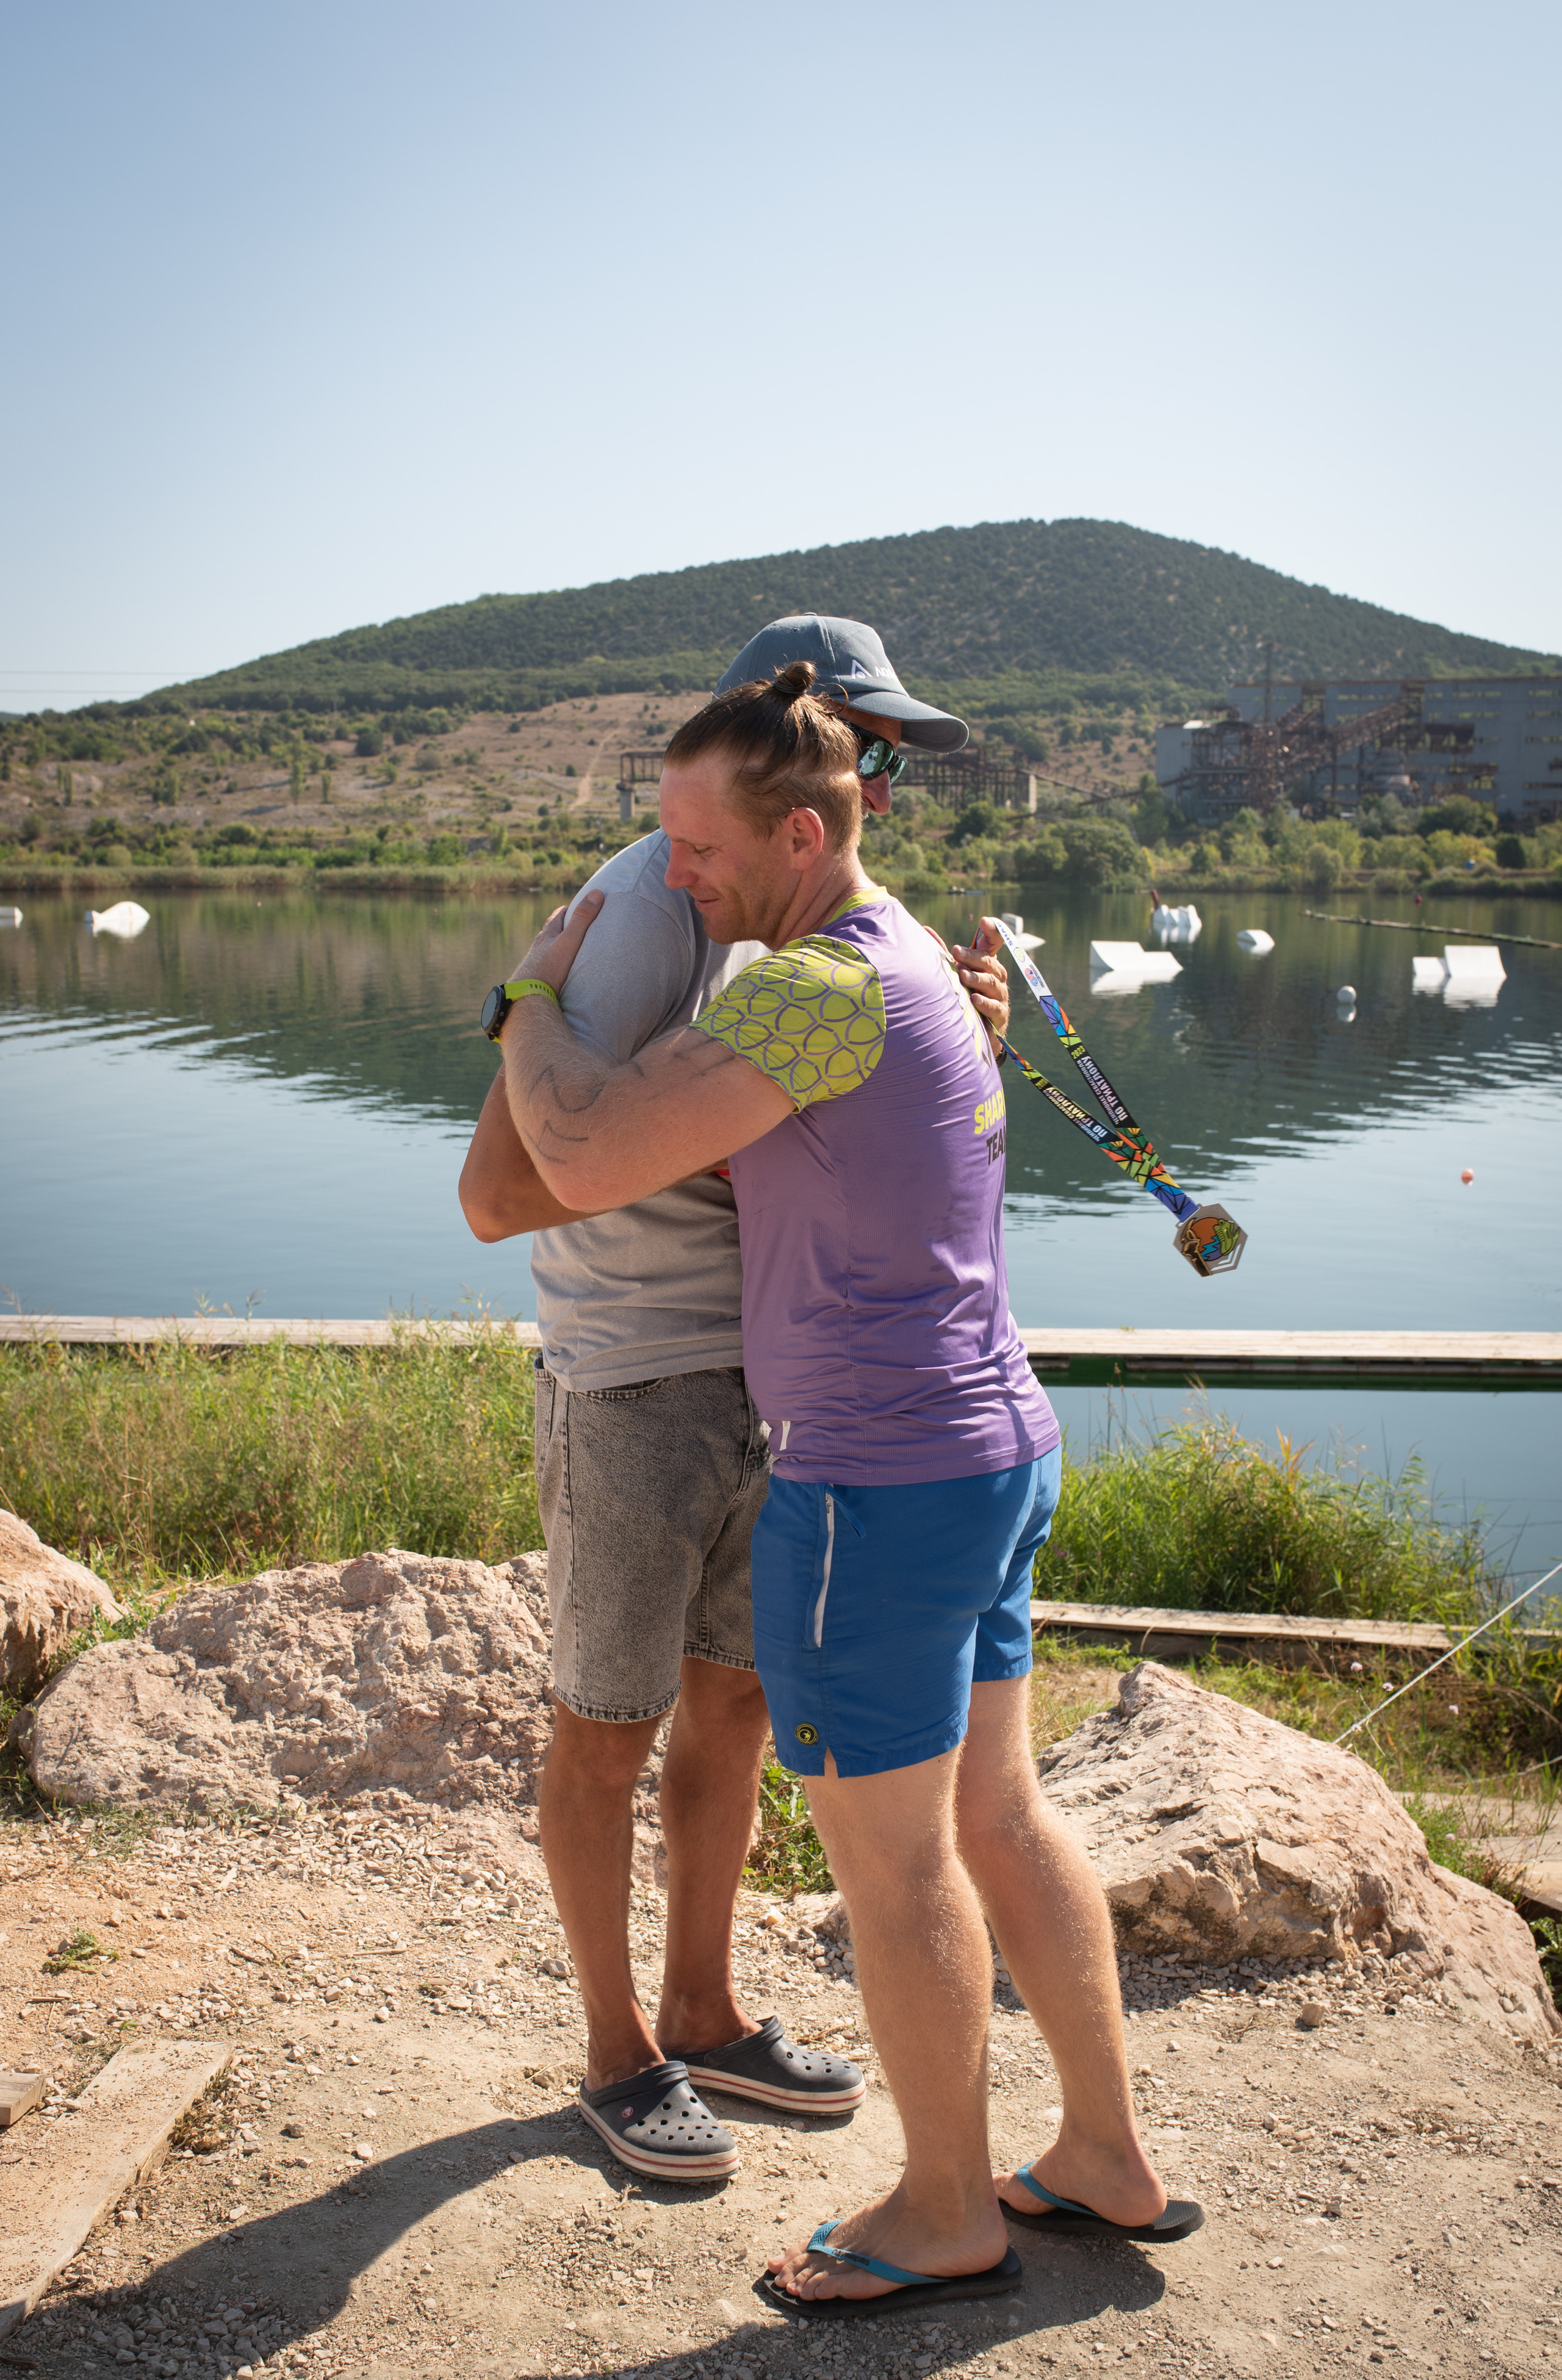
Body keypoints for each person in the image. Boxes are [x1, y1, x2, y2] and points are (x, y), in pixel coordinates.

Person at [491, 662, 1199, 2312]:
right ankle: (1103, 2150)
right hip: (995, 1445)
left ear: (804, 831)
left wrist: (527, 995)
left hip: (875, 1481)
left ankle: (946, 2203)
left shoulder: (814, 988)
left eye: (695, 845)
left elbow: (583, 1161)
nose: (673, 877)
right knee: (1002, 1811)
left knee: (895, 1862)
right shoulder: (918, 968)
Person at [459, 616, 1010, 2184]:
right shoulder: (662, 895)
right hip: (639, 1370)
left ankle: (701, 2010)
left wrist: (925, 1046)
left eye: (886, 765)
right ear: (799, 753)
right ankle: (614, 2050)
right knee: (604, 1724)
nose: (883, 787)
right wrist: (544, 1028)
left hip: (778, 1371)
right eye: (874, 748)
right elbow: (501, 1192)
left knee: (733, 1704)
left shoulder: (817, 924)